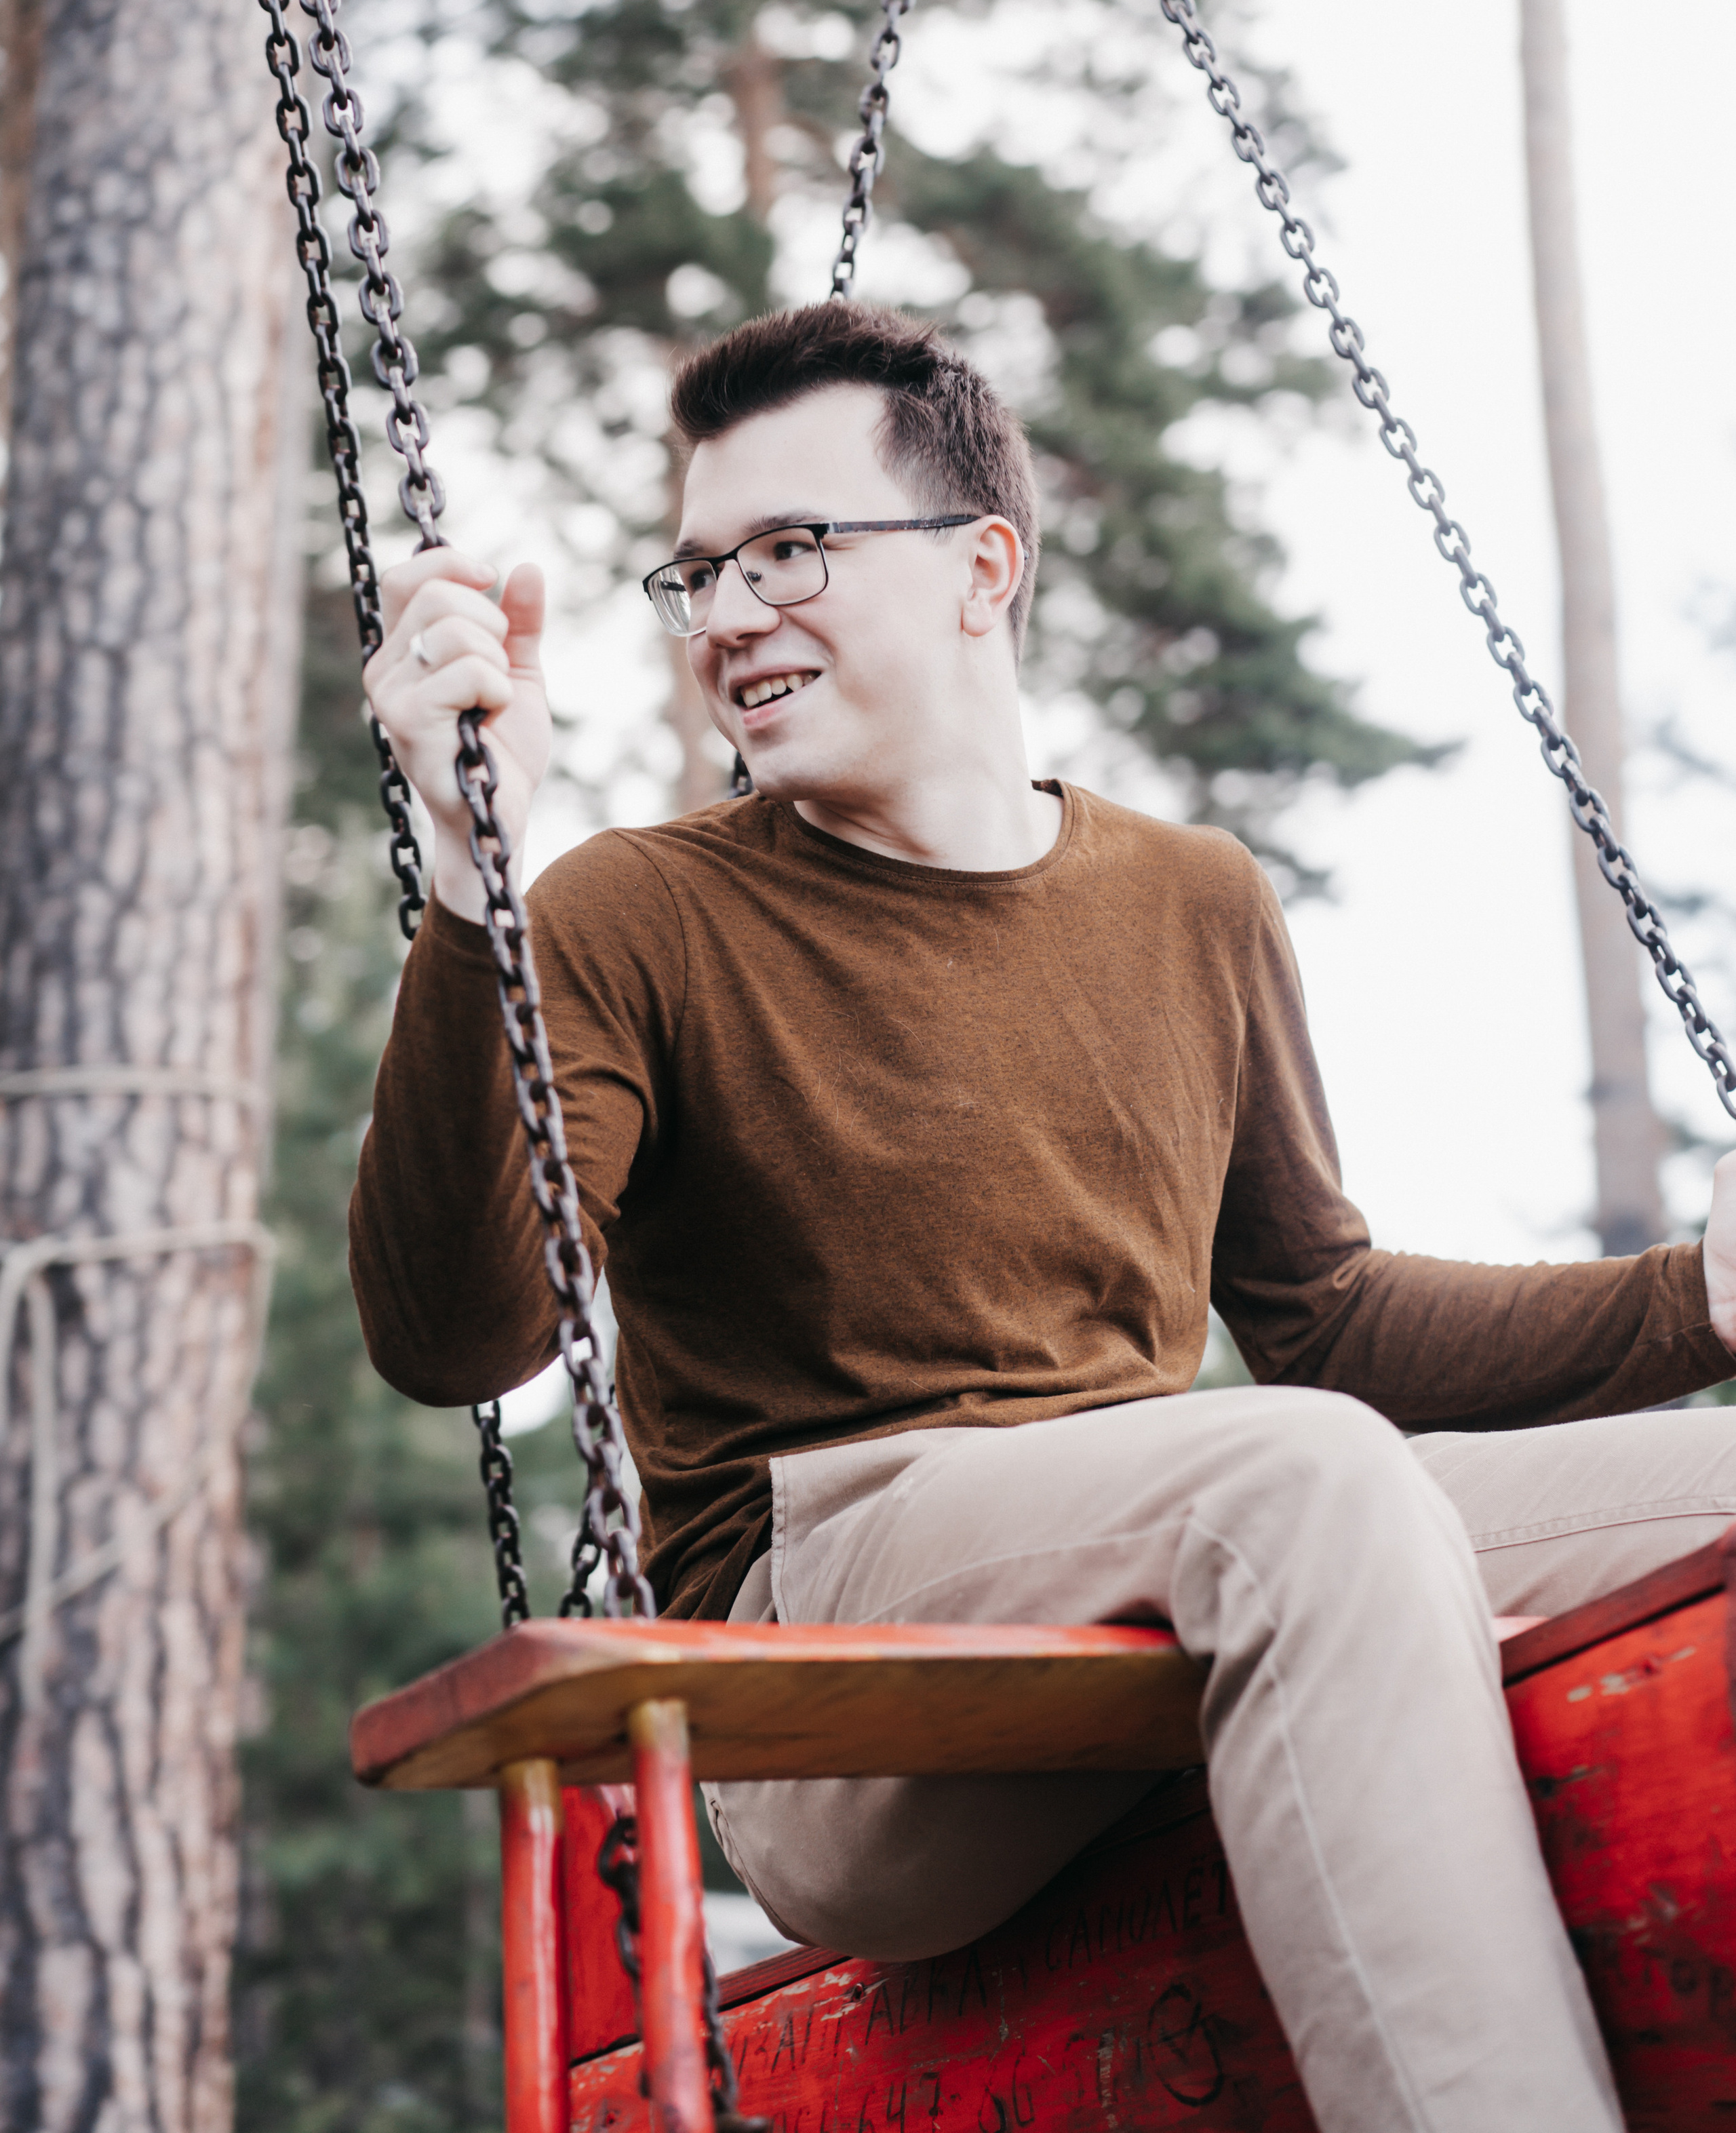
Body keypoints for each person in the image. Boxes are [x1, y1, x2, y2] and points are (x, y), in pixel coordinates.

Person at [349, 300, 1736, 2133]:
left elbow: (1333, 1323)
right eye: (699, 575)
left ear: (982, 568)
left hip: (1188, 1570)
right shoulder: (635, 915)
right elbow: (459, 1338)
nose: (733, 614)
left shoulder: (1192, 901)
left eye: (791, 550)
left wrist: (1701, 1297)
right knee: (1294, 1481)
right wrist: (471, 886)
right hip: (837, 1667)